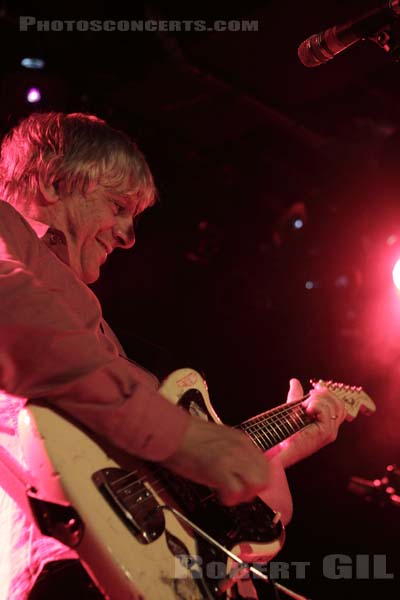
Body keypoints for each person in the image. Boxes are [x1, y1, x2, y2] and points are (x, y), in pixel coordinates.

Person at [0, 112, 346, 600]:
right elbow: (20, 323)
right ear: (55, 183)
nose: (128, 236)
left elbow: (175, 510)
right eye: (119, 206)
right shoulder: (8, 239)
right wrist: (184, 437)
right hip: (59, 567)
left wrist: (271, 458)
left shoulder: (97, 338)